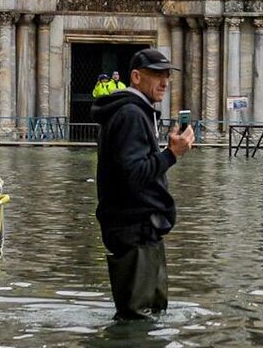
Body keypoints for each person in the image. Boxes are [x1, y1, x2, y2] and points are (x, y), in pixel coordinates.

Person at [94, 46, 194, 322]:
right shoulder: (130, 114)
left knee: (152, 313)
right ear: (136, 77)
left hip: (142, 228)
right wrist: (171, 154)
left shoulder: (136, 112)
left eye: (166, 75)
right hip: (133, 228)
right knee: (137, 321)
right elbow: (133, 175)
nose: (164, 82)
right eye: (156, 75)